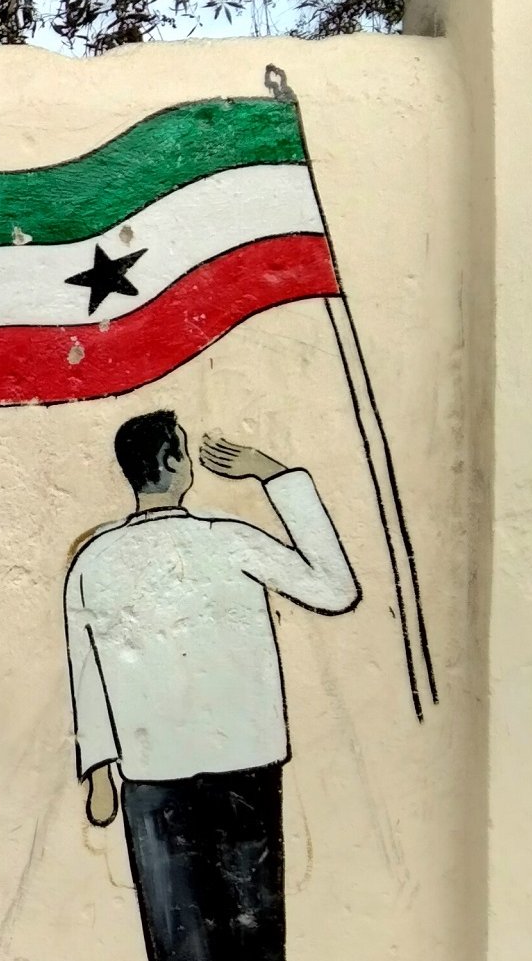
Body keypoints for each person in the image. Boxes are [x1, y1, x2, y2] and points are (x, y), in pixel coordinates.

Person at [64, 411, 360, 961]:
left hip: (154, 774)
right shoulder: (228, 540)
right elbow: (335, 588)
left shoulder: (93, 560)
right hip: (242, 765)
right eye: (182, 449)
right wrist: (271, 474)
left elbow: (87, 670)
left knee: (179, 943)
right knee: (253, 937)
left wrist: (99, 771)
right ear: (175, 463)